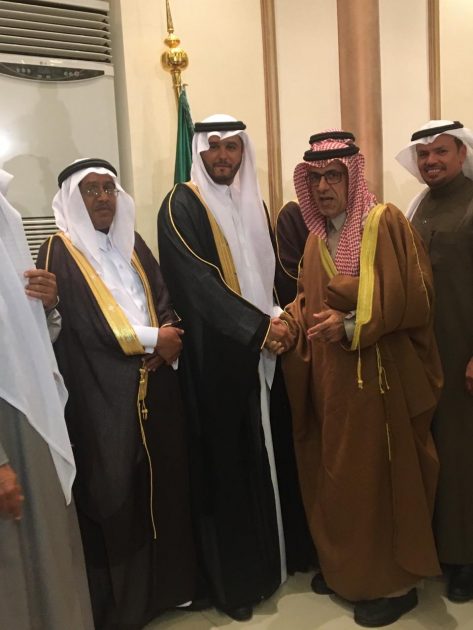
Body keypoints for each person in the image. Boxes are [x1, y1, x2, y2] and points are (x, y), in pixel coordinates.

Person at [281, 131, 443, 627]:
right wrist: (286, 324)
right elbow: (308, 297)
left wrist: (352, 324)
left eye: (333, 176)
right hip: (333, 386)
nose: (323, 187)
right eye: (315, 178)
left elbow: (413, 295)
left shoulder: (384, 222)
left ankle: (394, 584)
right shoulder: (315, 239)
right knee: (340, 479)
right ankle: (348, 571)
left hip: (379, 383)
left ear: (353, 176)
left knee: (380, 481)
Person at [158, 114, 313, 622]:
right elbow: (197, 284)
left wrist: (279, 318)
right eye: (215, 146)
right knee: (228, 468)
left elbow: (265, 276)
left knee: (270, 453)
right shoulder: (181, 204)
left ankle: (281, 559)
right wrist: (257, 329)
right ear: (200, 151)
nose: (224, 156)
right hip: (217, 361)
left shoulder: (253, 201)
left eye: (233, 147)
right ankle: (238, 583)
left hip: (261, 350)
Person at [37, 158, 195, 630]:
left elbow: (163, 298)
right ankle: (124, 609)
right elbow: (82, 324)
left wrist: (171, 336)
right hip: (100, 395)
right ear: (72, 199)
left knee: (160, 484)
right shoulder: (58, 250)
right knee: (113, 493)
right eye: (91, 190)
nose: (103, 198)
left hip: (155, 386)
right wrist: (154, 340)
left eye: (109, 189)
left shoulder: (132, 242)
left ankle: (167, 591)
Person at [0, 167, 93, 629]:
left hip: (36, 417)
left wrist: (49, 304)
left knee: (50, 551)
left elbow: (33, 340)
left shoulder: (9, 219)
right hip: (9, 432)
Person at [396, 120, 473, 602]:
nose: (431, 161)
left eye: (440, 152)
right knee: (437, 451)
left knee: (464, 455)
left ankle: (465, 560)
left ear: (461, 154)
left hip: (464, 353)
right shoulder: (418, 205)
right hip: (425, 356)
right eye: (423, 155)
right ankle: (443, 549)